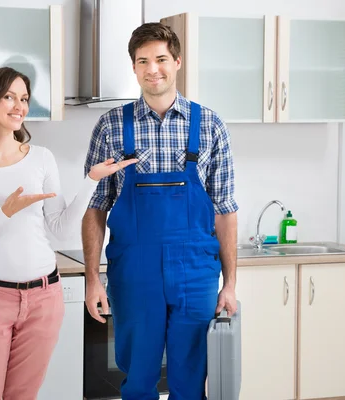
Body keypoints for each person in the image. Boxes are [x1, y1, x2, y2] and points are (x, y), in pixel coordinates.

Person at [0, 67, 136, 400]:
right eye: (10, 97)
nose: (20, 106)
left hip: (44, 297)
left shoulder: (41, 159)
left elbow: (59, 229)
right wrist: (4, 213)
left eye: (25, 99)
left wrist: (91, 180)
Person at [82, 23, 239, 400]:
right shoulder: (111, 126)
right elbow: (94, 208)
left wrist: (230, 283)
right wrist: (91, 278)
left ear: (177, 62)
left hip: (196, 270)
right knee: (138, 377)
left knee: (190, 376)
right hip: (134, 270)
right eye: (143, 61)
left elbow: (225, 211)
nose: (153, 69)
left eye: (161, 59)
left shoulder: (211, 125)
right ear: (134, 68)